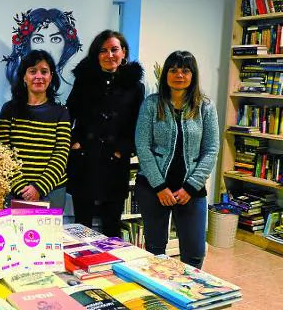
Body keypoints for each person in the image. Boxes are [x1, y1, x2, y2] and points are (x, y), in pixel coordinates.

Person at [135, 51, 219, 269]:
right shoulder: (151, 105)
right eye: (173, 70)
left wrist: (190, 187)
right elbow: (142, 147)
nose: (179, 75)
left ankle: (188, 297)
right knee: (155, 250)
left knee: (194, 253)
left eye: (185, 70)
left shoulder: (205, 107)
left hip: (191, 191)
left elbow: (211, 149)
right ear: (166, 75)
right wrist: (160, 187)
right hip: (154, 189)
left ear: (193, 75)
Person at [66, 30, 144, 237]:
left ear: (124, 52)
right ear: (96, 54)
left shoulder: (135, 87)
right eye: (103, 50)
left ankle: (111, 267)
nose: (109, 55)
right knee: (82, 224)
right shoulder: (83, 81)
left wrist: (123, 150)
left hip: (115, 162)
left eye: (114, 49)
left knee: (112, 224)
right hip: (85, 159)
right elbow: (68, 114)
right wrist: (74, 143)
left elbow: (138, 125)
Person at [0, 50, 71, 208]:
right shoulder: (9, 109)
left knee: (50, 233)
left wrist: (39, 188)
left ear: (51, 77)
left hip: (52, 191)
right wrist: (22, 188)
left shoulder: (61, 112)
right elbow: (3, 153)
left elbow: (61, 154)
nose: (39, 76)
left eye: (44, 72)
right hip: (15, 190)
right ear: (24, 77)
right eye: (32, 71)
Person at [3, 8, 82, 85]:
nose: (47, 50)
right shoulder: (19, 85)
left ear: (66, 44)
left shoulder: (74, 83)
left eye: (55, 39)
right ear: (27, 44)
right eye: (38, 39)